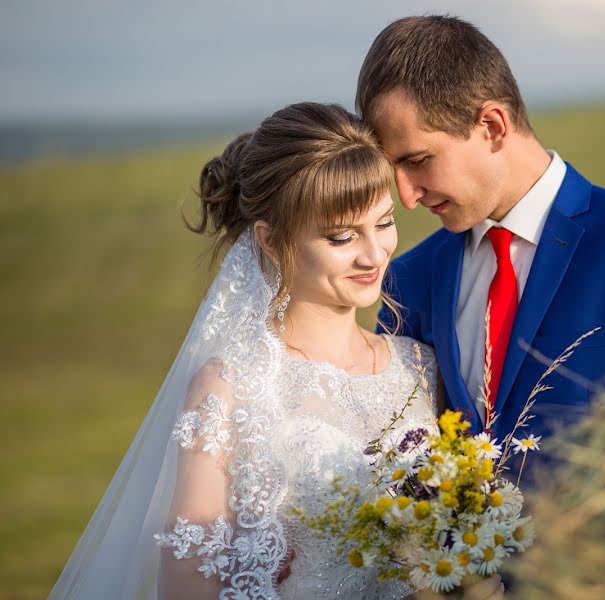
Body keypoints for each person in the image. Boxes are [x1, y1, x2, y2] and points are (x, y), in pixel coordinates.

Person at [48, 102, 502, 599]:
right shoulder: (231, 387)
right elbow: (187, 585)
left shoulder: (422, 366)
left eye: (384, 222)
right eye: (342, 236)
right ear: (270, 239)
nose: (374, 254)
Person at [358, 16, 605, 450]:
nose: (406, 196)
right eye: (394, 169)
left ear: (492, 127)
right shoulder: (407, 280)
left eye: (418, 160)